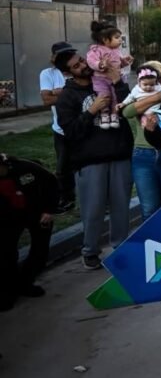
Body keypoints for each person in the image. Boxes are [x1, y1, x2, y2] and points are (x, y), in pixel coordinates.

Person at [54, 50, 133, 270]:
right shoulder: (67, 97)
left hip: (119, 154)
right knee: (93, 209)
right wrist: (91, 110)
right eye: (76, 65)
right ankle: (90, 251)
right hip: (89, 160)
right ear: (67, 72)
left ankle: (121, 247)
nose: (83, 65)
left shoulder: (104, 78)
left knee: (121, 207)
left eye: (81, 60)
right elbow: (70, 131)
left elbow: (128, 106)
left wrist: (117, 79)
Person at [0, 154, 58, 310]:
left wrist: (49, 210)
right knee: (6, 253)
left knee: (40, 250)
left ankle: (26, 282)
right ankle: (8, 291)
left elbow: (52, 183)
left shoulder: (26, 168)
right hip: (9, 216)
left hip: (38, 212)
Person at [121, 65, 161, 220]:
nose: (150, 86)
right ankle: (152, 243)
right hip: (143, 154)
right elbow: (127, 112)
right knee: (149, 208)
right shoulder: (138, 94)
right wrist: (156, 98)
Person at [39, 42, 76, 211]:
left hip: (82, 125)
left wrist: (59, 92)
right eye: (62, 55)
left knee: (90, 163)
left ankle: (100, 201)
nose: (66, 58)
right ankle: (67, 198)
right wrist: (70, 93)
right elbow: (46, 99)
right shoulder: (48, 74)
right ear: (54, 58)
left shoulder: (78, 70)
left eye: (69, 54)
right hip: (60, 128)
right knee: (63, 166)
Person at [86, 20, 132, 130]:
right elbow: (91, 61)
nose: (120, 39)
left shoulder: (116, 51)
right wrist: (101, 64)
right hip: (101, 79)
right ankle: (104, 116)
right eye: (117, 37)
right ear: (105, 40)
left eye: (120, 37)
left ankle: (114, 115)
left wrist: (125, 61)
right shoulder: (96, 50)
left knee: (116, 97)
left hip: (115, 79)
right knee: (105, 96)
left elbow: (118, 64)